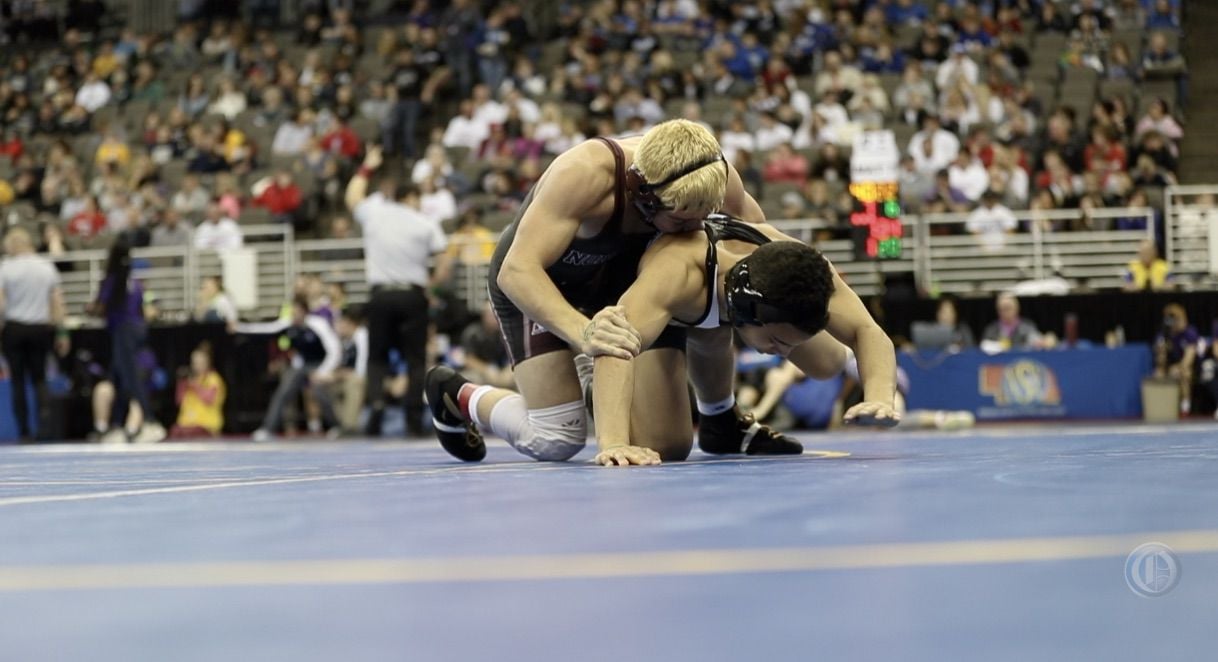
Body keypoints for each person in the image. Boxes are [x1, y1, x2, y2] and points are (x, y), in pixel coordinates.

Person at [424, 119, 804, 464]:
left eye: (702, 216)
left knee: (666, 444)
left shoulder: (713, 176)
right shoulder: (585, 173)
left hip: (626, 282)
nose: (693, 229)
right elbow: (518, 271)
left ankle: (720, 414)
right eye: (681, 218)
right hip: (544, 280)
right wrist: (583, 331)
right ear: (643, 194)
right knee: (557, 438)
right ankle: (457, 394)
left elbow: (761, 253)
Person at [582, 220, 899, 465]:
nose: (784, 353)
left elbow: (868, 331)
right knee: (667, 445)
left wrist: (880, 397)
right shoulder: (678, 272)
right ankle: (588, 381)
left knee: (828, 362)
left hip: (715, 301)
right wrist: (613, 443)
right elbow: (615, 343)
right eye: (777, 341)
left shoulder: (804, 266)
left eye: (788, 345)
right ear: (746, 310)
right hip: (645, 303)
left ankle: (720, 421)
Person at [345, 146, 453, 437]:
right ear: (411, 198)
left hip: (380, 295)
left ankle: (377, 407)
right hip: (412, 295)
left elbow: (352, 197)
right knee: (415, 359)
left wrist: (367, 166)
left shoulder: (376, 214)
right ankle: (412, 418)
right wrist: (432, 285)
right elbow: (445, 261)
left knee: (377, 358)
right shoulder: (426, 223)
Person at [89, 238, 166, 443]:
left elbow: (102, 307)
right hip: (136, 329)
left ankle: (150, 421)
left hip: (123, 331)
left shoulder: (113, 280)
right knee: (120, 377)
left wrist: (90, 309)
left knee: (130, 378)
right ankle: (117, 425)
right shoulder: (134, 281)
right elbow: (140, 308)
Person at [0, 227, 64, 442]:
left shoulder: (6, 268)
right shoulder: (46, 267)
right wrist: (62, 332)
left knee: (17, 380)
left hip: (15, 328)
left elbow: (0, 304)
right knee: (39, 379)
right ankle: (44, 428)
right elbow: (56, 302)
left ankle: (24, 431)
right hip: (40, 328)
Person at [251, 296, 343, 441]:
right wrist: (237, 326)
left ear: (305, 312)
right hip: (302, 366)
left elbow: (334, 350)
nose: (294, 315)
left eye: (297, 312)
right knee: (283, 390)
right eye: (292, 312)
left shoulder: (318, 324)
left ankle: (337, 426)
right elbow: (264, 329)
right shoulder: (289, 324)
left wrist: (322, 372)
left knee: (319, 391)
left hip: (321, 364)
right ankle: (267, 429)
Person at [171, 342, 226, 438]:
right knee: (175, 430)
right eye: (195, 363)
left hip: (206, 426)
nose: (197, 366)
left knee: (194, 432)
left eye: (200, 363)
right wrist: (181, 384)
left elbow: (209, 400)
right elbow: (178, 401)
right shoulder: (188, 380)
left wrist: (194, 386)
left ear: (207, 362)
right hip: (186, 425)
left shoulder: (213, 379)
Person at [1154, 303, 1199, 416]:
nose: (1179, 322)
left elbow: (1188, 360)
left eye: (1180, 318)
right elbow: (1160, 363)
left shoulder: (1190, 332)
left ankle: (1185, 407)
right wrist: (1161, 352)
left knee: (1183, 373)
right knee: (1157, 374)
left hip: (1190, 368)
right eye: (1175, 319)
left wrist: (1178, 368)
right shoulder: (1164, 335)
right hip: (1169, 367)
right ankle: (1163, 408)